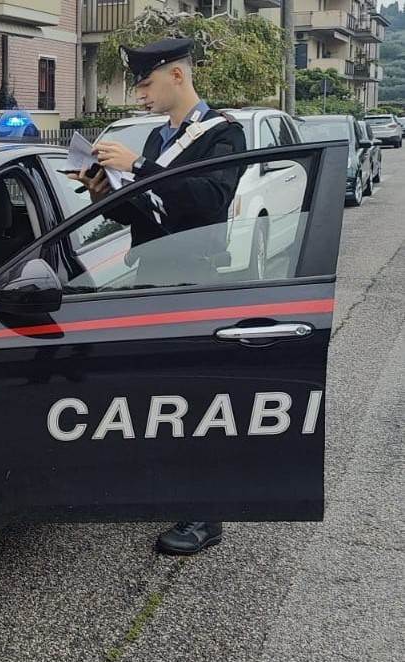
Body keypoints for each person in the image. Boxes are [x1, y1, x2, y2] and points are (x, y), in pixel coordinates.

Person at [67, 37, 246, 556]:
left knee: (196, 400)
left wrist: (141, 170)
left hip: (196, 283)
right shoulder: (155, 140)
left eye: (144, 83)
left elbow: (208, 200)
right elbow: (146, 213)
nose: (139, 94)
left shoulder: (223, 134)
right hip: (152, 279)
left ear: (176, 76)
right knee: (159, 398)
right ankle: (166, 488)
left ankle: (204, 516)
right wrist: (106, 192)